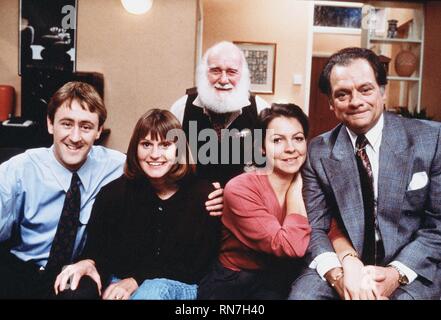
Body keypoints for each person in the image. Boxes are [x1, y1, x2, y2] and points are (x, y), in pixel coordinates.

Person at [289, 47, 441, 300]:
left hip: (411, 265)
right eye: (342, 94)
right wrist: (338, 277)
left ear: (383, 91)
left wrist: (395, 275)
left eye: (365, 89)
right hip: (343, 262)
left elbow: (437, 226)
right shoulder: (317, 151)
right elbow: (316, 227)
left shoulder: (432, 139)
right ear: (330, 103)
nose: (355, 101)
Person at [54, 109, 221, 300]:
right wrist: (88, 263)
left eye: (165, 145)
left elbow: (197, 266)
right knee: (73, 288)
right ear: (135, 148)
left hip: (181, 285)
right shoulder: (114, 193)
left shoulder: (203, 195)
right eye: (146, 144)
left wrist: (137, 280)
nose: (155, 154)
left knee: (152, 292)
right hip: (119, 280)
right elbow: (98, 252)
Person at [0, 81, 126, 299]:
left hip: (73, 276)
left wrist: (206, 190)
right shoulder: (18, 170)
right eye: (66, 124)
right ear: (50, 124)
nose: (75, 137)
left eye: (86, 127)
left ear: (99, 131)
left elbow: (165, 171)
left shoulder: (117, 166)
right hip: (21, 271)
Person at [198, 103, 311, 299]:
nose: (290, 148)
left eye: (298, 139)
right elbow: (289, 246)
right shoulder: (240, 188)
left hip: (284, 278)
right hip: (234, 282)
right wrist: (294, 192)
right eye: (277, 140)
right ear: (261, 148)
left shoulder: (313, 183)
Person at [171, 41, 270, 186]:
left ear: (242, 76)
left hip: (244, 202)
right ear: (204, 74)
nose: (223, 80)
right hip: (192, 202)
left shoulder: (261, 109)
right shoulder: (181, 108)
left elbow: (270, 169)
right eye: (215, 71)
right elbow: (171, 166)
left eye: (232, 72)